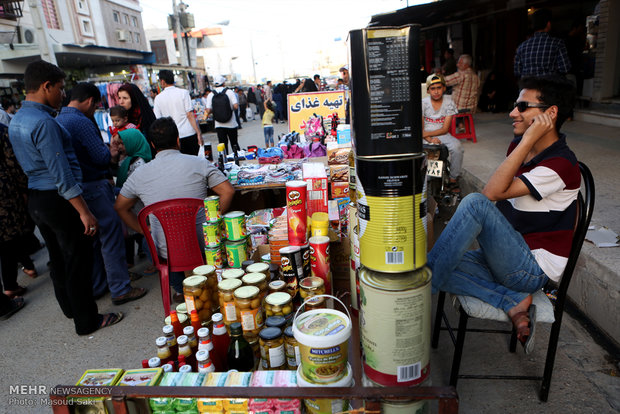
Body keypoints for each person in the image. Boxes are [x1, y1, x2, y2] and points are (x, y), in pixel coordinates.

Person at [428, 75, 579, 354]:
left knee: (473, 205)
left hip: (530, 269)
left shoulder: (561, 165)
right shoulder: (522, 147)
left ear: (551, 113)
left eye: (523, 106)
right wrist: (526, 143)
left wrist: (527, 140)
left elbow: (490, 195)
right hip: (507, 255)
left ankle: (417, 290)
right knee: (434, 263)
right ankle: (511, 300)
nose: (512, 113)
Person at [9, 60, 122, 335]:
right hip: (58, 199)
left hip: (38, 198)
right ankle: (87, 321)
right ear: (46, 86)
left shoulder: (18, 119)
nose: (63, 94)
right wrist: (84, 211)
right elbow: (61, 173)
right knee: (77, 261)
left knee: (58, 259)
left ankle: (71, 308)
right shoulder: (44, 122)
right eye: (60, 88)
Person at [114, 117, 235, 302]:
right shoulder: (199, 163)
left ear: (153, 145)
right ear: (178, 141)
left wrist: (145, 232)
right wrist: (213, 221)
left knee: (165, 244)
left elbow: (120, 207)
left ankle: (180, 289)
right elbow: (227, 191)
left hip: (166, 251)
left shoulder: (139, 174)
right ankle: (208, 284)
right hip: (204, 244)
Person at [56, 82, 147, 304]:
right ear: (89, 101)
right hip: (94, 185)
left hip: (76, 190)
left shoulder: (58, 119)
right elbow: (100, 157)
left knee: (95, 240)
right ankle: (120, 288)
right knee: (111, 236)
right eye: (96, 105)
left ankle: (102, 283)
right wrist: (112, 153)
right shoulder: (81, 121)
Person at [0, 124, 39, 298]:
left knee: (10, 236)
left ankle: (28, 265)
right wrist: (24, 187)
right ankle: (10, 284)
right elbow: (12, 161)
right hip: (5, 193)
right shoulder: (1, 131)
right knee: (10, 236)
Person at [422, 74, 464, 190]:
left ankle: (453, 179)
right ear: (428, 90)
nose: (436, 91)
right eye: (433, 88)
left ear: (444, 88)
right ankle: (427, 181)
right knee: (428, 153)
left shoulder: (449, 102)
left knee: (457, 147)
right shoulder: (423, 103)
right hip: (425, 137)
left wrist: (427, 135)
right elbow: (421, 129)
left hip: (442, 134)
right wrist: (430, 139)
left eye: (439, 88)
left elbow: (445, 129)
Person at [153, 70, 203, 156]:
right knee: (193, 162)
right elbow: (190, 115)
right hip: (188, 134)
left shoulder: (158, 98)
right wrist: (198, 133)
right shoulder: (184, 93)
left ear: (162, 81)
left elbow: (159, 120)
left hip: (172, 139)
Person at [514, 8, 571, 79]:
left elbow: (517, 72)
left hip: (527, 87)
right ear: (548, 24)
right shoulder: (557, 43)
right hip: (549, 88)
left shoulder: (521, 47)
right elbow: (565, 68)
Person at [117, 83, 157, 152]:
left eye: (125, 98)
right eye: (119, 98)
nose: (121, 102)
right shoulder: (121, 117)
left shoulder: (144, 116)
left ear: (133, 98)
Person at [205, 75, 239, 154]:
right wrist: (230, 109)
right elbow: (236, 106)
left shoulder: (211, 95)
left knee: (223, 145)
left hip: (219, 124)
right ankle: (238, 160)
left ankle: (225, 161)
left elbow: (208, 110)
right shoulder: (229, 92)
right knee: (234, 144)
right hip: (231, 123)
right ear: (223, 83)